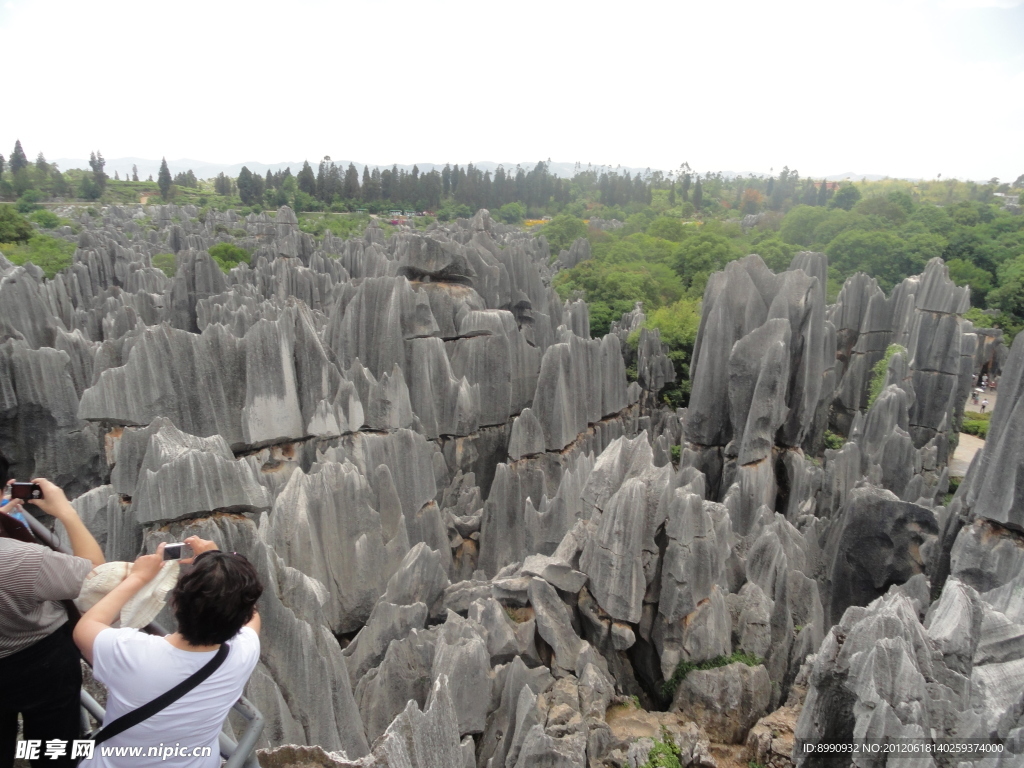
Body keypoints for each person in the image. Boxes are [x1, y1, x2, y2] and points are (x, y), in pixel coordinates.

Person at [74, 538, 263, 768]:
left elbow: (86, 626)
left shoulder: (132, 653)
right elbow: (251, 614)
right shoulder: (243, 652)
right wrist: (218, 562)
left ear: (175, 603)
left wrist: (139, 577)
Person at [0, 478, 105, 768]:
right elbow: (93, 574)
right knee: (55, 748)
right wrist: (66, 512)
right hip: (41, 661)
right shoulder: (20, 558)